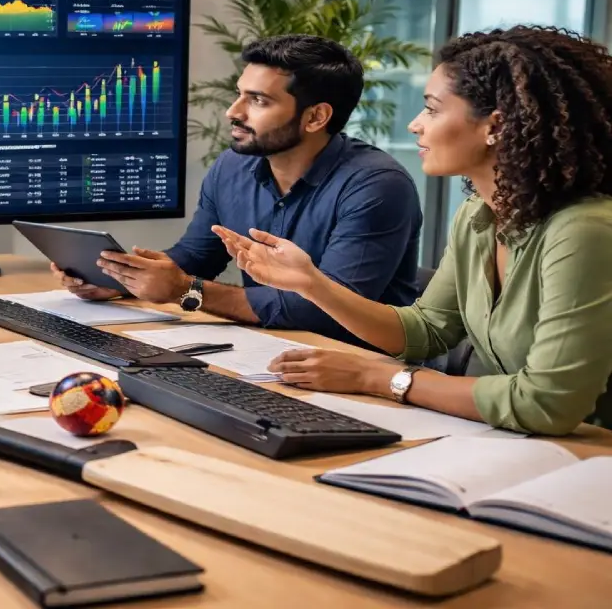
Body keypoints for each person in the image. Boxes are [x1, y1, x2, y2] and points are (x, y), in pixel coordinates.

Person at [216, 25, 612, 436]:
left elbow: (547, 402)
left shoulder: (584, 230)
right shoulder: (479, 216)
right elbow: (425, 330)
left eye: (432, 109)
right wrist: (311, 284)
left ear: (495, 126)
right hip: (515, 439)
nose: (415, 125)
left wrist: (375, 377)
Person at [53, 35, 422, 348]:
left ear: (315, 117)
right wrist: (121, 279)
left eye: (258, 100)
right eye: (239, 94)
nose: (233, 111)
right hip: (269, 348)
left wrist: (185, 290)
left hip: (358, 364)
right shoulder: (233, 166)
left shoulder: (377, 186)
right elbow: (197, 257)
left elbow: (326, 309)